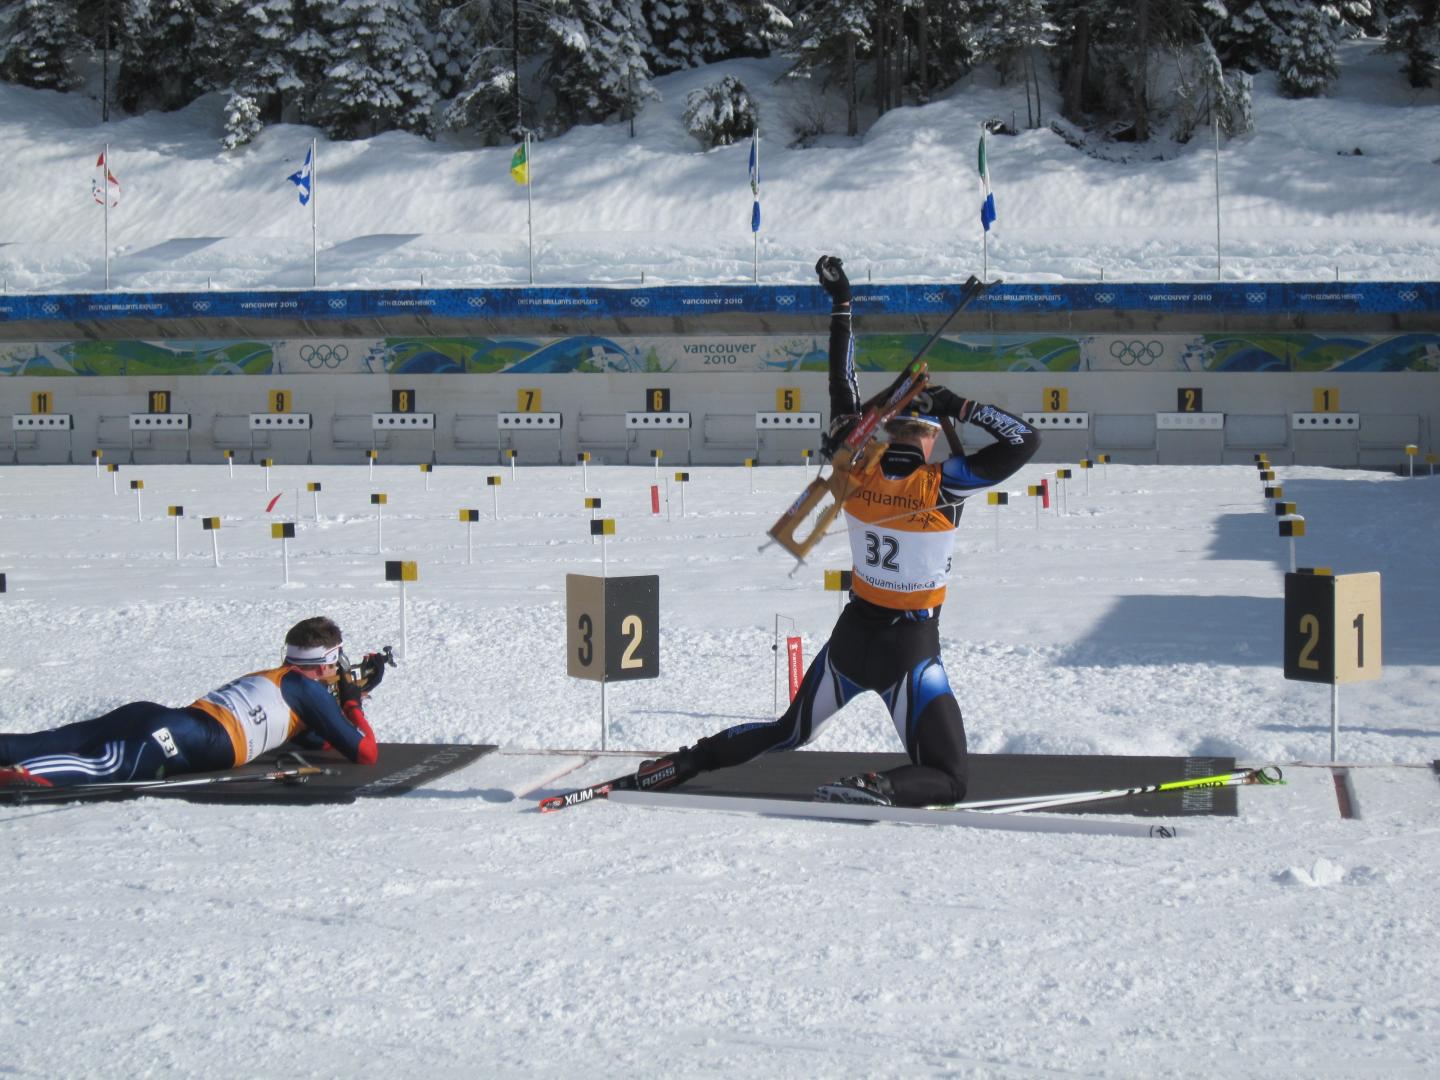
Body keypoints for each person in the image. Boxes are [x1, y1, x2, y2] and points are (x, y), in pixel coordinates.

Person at [636, 255, 1041, 808]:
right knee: (950, 777)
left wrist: (842, 304)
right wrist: (958, 404)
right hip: (910, 647)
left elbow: (842, 389)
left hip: (852, 636)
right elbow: (1024, 440)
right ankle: (878, 784)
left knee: (787, 731)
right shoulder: (942, 486)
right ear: (929, 438)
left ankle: (685, 762)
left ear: (888, 433)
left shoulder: (855, 473)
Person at [0, 617, 385, 789]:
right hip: (189, 736)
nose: (339, 671)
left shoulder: (280, 680)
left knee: (47, 740)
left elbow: (321, 739)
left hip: (164, 719)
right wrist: (352, 702)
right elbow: (365, 752)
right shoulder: (308, 691)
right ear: (325, 663)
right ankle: (20, 775)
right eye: (337, 663)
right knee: (104, 766)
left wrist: (349, 703)